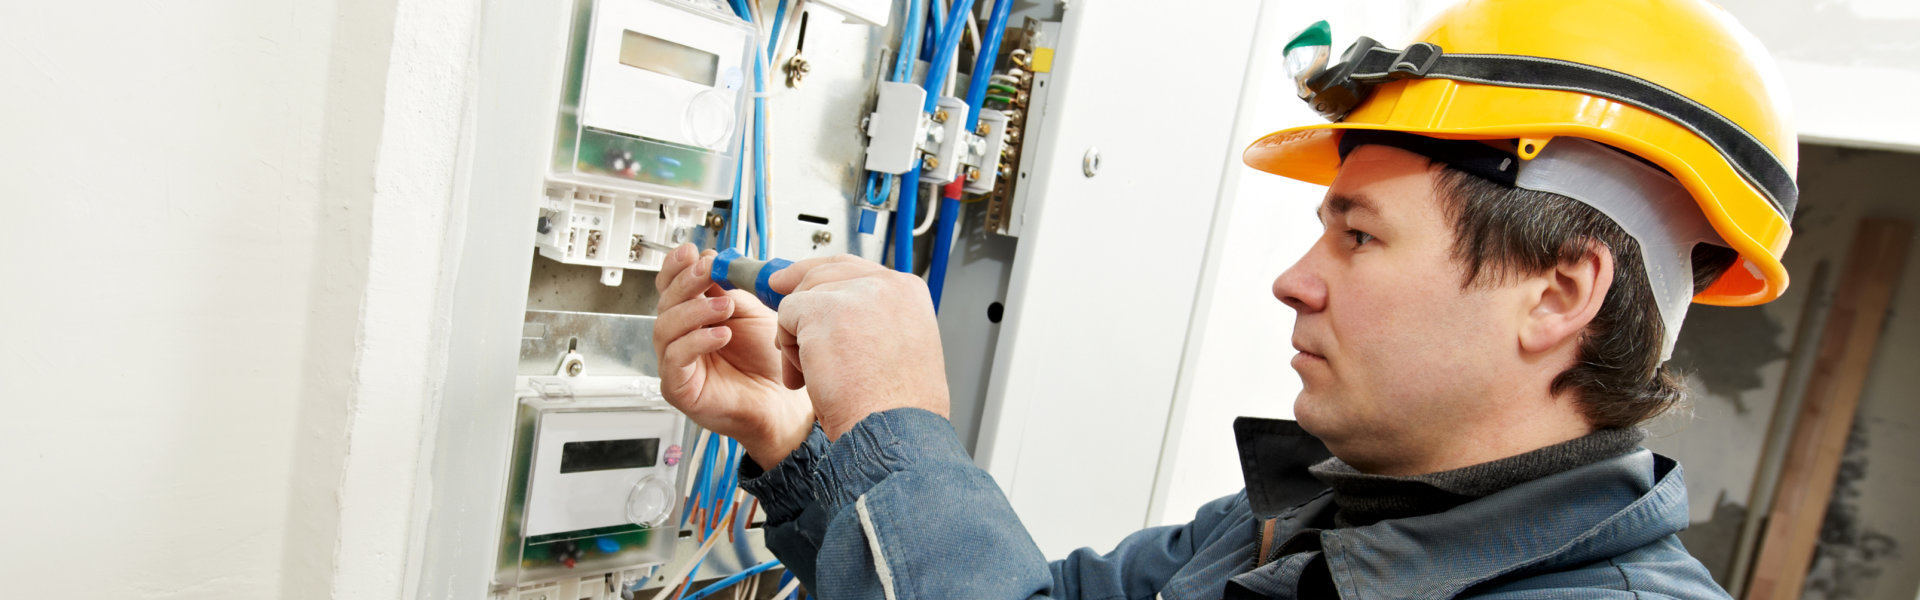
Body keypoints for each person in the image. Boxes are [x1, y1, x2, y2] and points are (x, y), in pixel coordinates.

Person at [650, 0, 1798, 596]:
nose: (1295, 280)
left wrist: (898, 433)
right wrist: (806, 445)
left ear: (1556, 294)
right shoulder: (1312, 519)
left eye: (1357, 236)